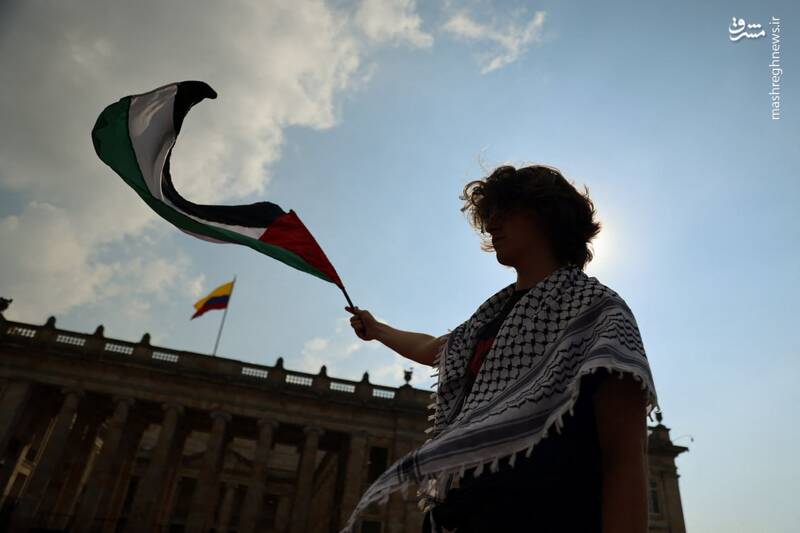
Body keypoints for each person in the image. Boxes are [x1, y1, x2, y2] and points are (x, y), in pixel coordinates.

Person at [344, 164, 658, 533]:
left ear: (546, 215)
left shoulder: (599, 311)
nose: (491, 225)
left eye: (504, 211)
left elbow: (624, 455)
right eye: (489, 215)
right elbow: (436, 349)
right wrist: (379, 330)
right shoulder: (490, 316)